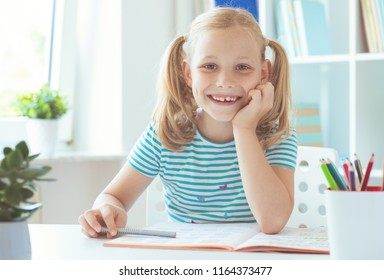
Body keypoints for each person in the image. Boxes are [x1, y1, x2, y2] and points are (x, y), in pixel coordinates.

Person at [79, 7, 297, 238]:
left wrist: (244, 129)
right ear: (189, 73)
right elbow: (113, 196)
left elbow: (272, 221)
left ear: (263, 74)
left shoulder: (277, 135)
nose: (224, 81)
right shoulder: (166, 134)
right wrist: (108, 209)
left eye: (242, 67)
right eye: (209, 66)